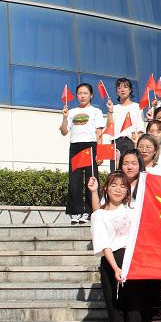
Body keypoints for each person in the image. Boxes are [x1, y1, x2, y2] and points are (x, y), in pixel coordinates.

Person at [86, 172, 143, 322]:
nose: (118, 189)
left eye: (122, 186)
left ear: (127, 190)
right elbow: (104, 244)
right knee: (116, 316)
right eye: (114, 185)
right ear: (106, 189)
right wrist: (116, 268)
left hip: (134, 265)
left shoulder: (133, 211)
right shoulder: (99, 215)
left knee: (134, 315)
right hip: (112, 265)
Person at [59, 83, 105, 225]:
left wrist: (100, 153)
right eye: (79, 93)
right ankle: (76, 211)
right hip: (75, 146)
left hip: (90, 145)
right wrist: (65, 117)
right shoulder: (71, 111)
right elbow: (64, 132)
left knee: (91, 179)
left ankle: (89, 211)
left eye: (85, 93)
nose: (82, 96)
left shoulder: (96, 111)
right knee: (74, 180)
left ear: (91, 95)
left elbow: (99, 133)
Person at [109, 78, 145, 172]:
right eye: (119, 88)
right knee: (115, 171)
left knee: (130, 170)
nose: (122, 90)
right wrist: (110, 111)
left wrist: (137, 145)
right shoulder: (114, 108)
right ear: (116, 91)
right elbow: (109, 127)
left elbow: (140, 129)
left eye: (125, 87)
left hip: (130, 142)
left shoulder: (137, 107)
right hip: (115, 143)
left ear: (130, 90)